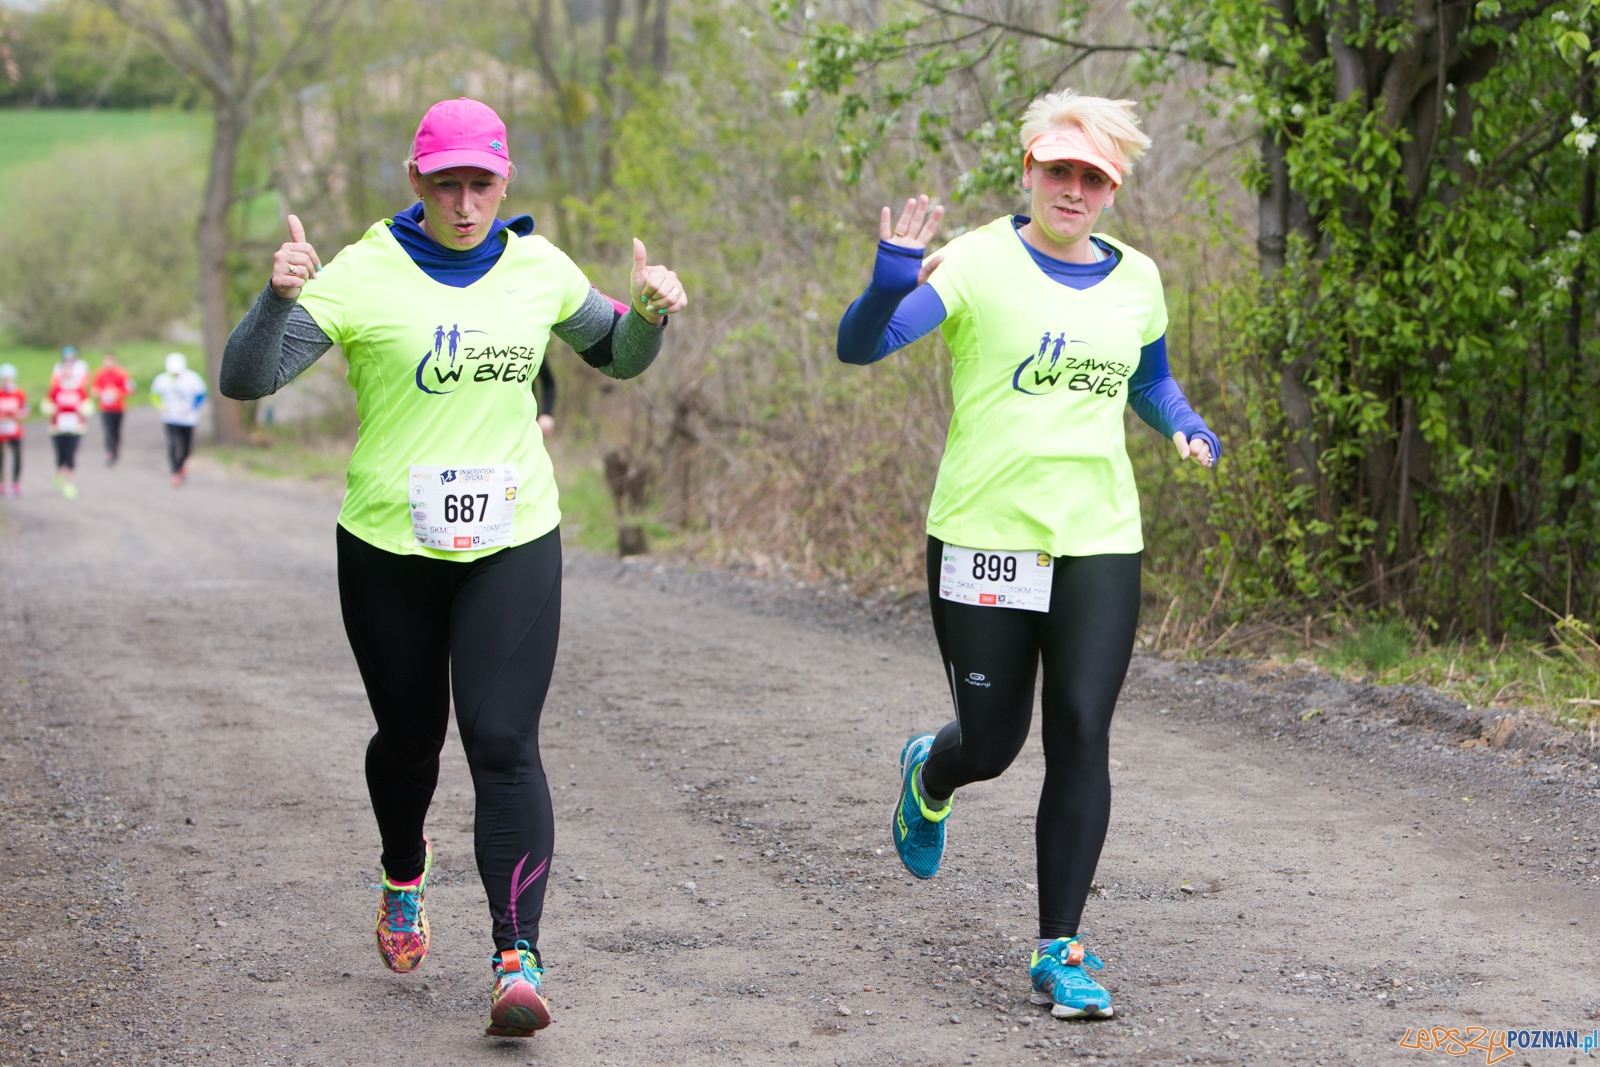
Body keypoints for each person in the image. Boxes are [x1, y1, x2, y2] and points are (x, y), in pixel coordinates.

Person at [220, 97, 686, 1038]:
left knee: (503, 738)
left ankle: (517, 955)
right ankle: (403, 866)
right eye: (447, 185)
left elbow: (620, 357)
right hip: (389, 545)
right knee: (408, 742)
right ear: (415, 183)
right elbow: (247, 380)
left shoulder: (538, 266)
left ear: (504, 180)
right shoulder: (361, 273)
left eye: (481, 183)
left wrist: (647, 312)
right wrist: (277, 297)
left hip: (512, 539)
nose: (465, 203)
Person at [834, 89, 1220, 1020]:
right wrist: (890, 276)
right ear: (1030, 172)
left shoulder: (1138, 278)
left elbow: (1152, 377)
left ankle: (1061, 948)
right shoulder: (975, 260)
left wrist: (1183, 421)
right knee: (998, 742)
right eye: (1059, 171)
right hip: (983, 536)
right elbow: (863, 345)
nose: (1074, 189)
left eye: (1092, 177)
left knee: (1082, 729)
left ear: (1112, 190)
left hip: (1098, 538)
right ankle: (933, 769)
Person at [42, 346, 93, 499]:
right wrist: (51, 409)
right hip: (58, 427)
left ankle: (70, 484)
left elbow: (87, 406)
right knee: (60, 454)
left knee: (71, 455)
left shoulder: (79, 389)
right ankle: (59, 470)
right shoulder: (56, 389)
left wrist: (83, 409)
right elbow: (47, 404)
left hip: (75, 427)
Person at [150, 353, 207, 487]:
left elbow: (202, 395)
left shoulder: (192, 378)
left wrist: (192, 407)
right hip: (170, 417)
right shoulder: (162, 379)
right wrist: (160, 406)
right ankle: (175, 473)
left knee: (187, 448)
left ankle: (181, 466)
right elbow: (154, 395)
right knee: (172, 444)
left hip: (188, 419)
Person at [93, 352, 135, 465]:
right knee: (107, 430)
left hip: (118, 408)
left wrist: (117, 393)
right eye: (107, 360)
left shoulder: (122, 374)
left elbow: (130, 389)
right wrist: (101, 393)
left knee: (116, 431)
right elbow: (94, 389)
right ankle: (109, 452)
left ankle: (116, 450)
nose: (109, 363)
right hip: (105, 408)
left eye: (111, 360)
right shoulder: (100, 373)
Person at [0, 364, 27, 497]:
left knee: (17, 456)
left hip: (15, 431)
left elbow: (25, 410)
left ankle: (16, 484)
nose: (7, 381)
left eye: (9, 378)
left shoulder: (19, 393)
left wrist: (19, 415)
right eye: (5, 378)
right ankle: (2, 484)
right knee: (1, 458)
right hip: (1, 431)